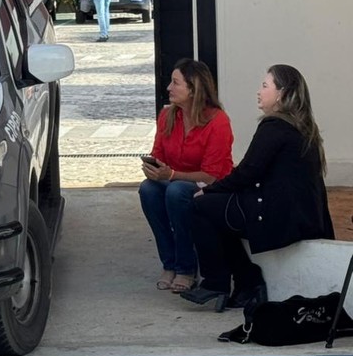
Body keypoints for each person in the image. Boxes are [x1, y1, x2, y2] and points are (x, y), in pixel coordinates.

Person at [181, 65, 334, 312]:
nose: (258, 92)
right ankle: (245, 283)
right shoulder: (302, 126)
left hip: (279, 216)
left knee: (199, 206)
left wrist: (209, 190)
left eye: (265, 86)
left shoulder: (274, 127)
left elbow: (247, 172)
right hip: (299, 215)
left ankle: (220, 282)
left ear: (282, 94)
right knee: (217, 212)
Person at [139, 59, 234, 293]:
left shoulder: (217, 121)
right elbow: (158, 154)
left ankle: (186, 268)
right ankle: (170, 263)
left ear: (193, 88)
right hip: (175, 181)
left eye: (175, 83)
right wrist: (154, 169)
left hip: (210, 187)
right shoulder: (168, 116)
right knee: (148, 189)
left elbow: (212, 175)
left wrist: (171, 174)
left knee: (176, 191)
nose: (169, 88)